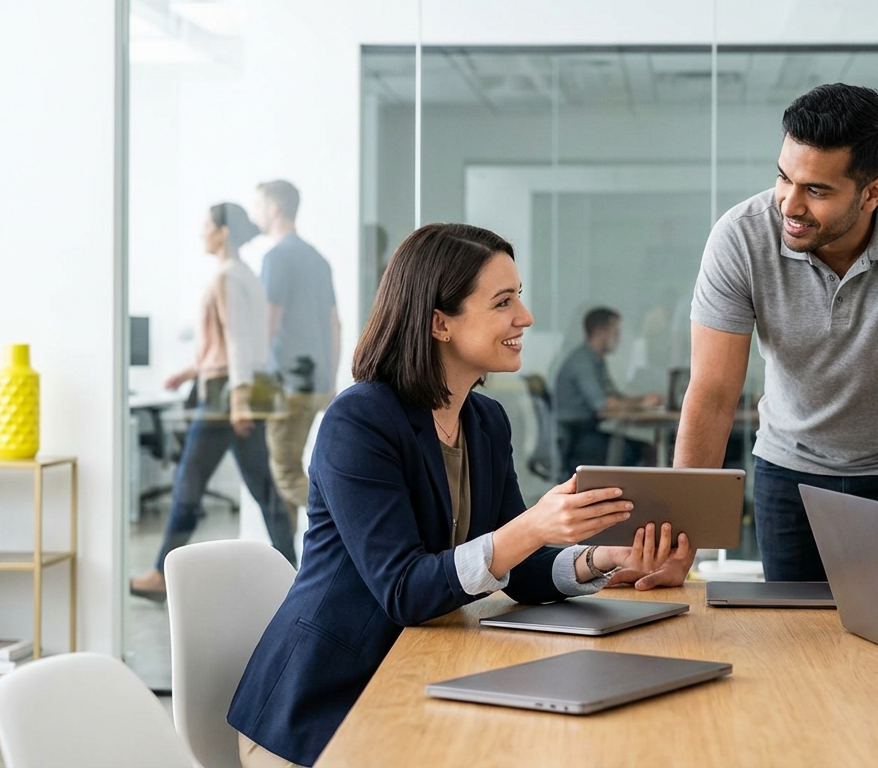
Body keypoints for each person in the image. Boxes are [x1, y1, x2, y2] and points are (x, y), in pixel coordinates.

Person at [227, 223, 693, 767]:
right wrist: (534, 526)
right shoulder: (359, 421)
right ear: (439, 323)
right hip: (320, 711)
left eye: (519, 297)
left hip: (417, 683)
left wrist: (604, 559)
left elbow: (519, 568)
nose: (525, 317)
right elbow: (405, 590)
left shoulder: (484, 420)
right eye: (503, 302)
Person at [676, 83, 878, 602]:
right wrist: (679, 542)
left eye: (816, 190)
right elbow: (711, 394)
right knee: (795, 648)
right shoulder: (741, 236)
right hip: (787, 471)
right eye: (783, 177)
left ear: (873, 192)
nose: (789, 205)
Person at [129, 203, 297, 601]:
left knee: (189, 480)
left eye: (205, 226)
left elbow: (237, 342)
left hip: (227, 393)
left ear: (223, 231)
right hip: (243, 385)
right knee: (264, 486)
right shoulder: (248, 277)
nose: (201, 233)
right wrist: (190, 372)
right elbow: (242, 343)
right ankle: (292, 573)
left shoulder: (226, 277)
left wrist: (236, 401)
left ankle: (161, 575)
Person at [252, 180, 340, 531]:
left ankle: (348, 517)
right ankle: (287, 563)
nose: (255, 213)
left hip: (284, 382)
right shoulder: (318, 259)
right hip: (314, 380)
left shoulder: (276, 257)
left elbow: (268, 323)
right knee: (281, 472)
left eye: (258, 205)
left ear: (274, 208)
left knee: (284, 473)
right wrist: (330, 380)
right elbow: (335, 324)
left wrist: (250, 380)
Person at [553, 307, 662, 476]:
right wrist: (641, 404)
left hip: (584, 433)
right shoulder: (583, 363)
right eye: (616, 333)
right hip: (576, 439)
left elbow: (614, 397)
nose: (619, 340)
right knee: (639, 451)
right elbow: (605, 405)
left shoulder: (594, 360)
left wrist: (641, 400)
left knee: (645, 449)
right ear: (600, 332)